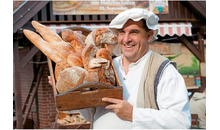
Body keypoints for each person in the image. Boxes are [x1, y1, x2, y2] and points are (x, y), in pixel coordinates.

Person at [48, 8, 191, 129]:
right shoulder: (105, 66)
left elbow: (181, 122)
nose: (126, 39)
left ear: (149, 35)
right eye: (122, 32)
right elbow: (92, 114)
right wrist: (73, 92)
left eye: (134, 32)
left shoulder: (163, 71)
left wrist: (133, 114)